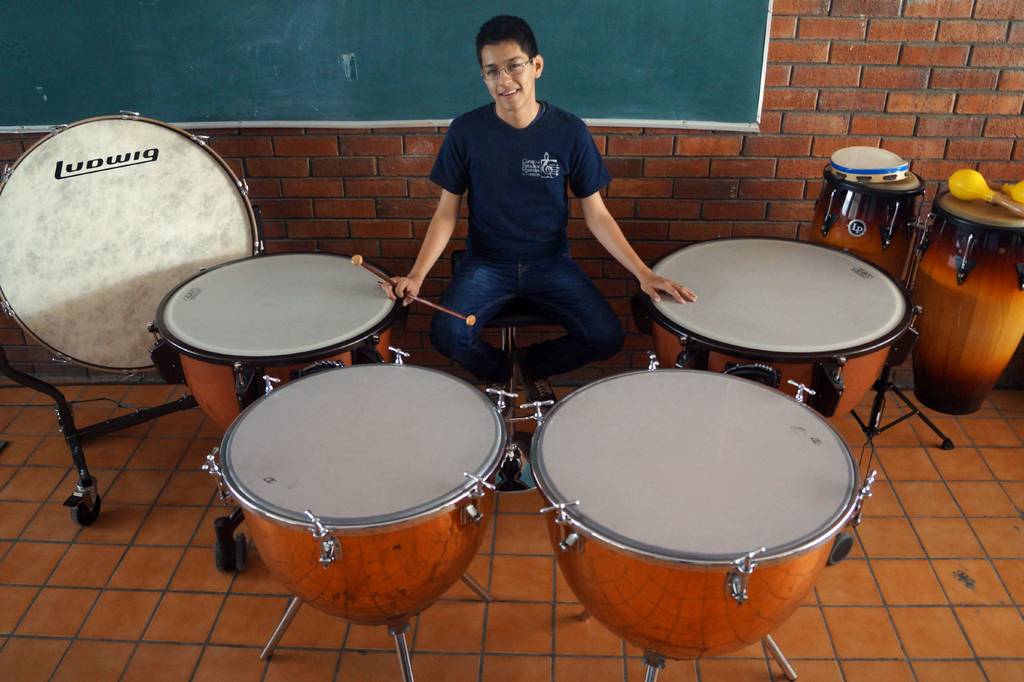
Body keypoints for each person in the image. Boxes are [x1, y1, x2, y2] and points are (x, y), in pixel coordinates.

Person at [384, 15, 696, 401]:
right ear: (483, 77)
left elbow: (597, 214)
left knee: (605, 335)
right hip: (486, 263)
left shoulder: (569, 131)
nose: (504, 80)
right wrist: (417, 275)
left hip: (550, 263)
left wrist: (643, 274)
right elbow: (446, 213)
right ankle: (504, 372)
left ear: (536, 66)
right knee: (446, 334)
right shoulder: (466, 131)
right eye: (492, 71)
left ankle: (529, 365)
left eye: (514, 66)